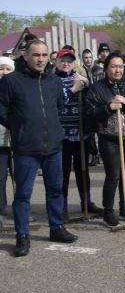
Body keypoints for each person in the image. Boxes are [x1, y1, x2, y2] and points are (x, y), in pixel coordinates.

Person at [0, 39, 78, 257]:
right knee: (23, 195)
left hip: (54, 145)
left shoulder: (52, 80)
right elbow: (2, 109)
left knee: (55, 190)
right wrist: (19, 126)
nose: (41, 59)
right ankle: (22, 236)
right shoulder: (11, 81)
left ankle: (56, 228)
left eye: (44, 55)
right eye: (36, 55)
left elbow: (58, 106)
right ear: (25, 55)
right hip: (26, 147)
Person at [85, 52, 125, 226]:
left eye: (120, 66)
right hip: (109, 138)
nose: (117, 70)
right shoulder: (97, 88)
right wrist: (109, 107)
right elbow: (90, 113)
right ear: (106, 68)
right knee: (113, 175)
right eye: (113, 66)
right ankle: (108, 211)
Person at [54, 48, 101, 216]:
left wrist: (87, 85)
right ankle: (62, 206)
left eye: (69, 60)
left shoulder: (80, 78)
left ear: (74, 62)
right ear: (56, 62)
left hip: (82, 133)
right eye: (62, 60)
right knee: (63, 172)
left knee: (83, 170)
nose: (66, 63)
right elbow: (56, 103)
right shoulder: (52, 80)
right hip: (62, 135)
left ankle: (86, 203)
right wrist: (74, 89)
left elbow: (93, 99)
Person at [0, 57, 14, 228]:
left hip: (18, 139)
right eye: (0, 68)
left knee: (20, 177)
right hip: (1, 141)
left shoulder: (17, 88)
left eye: (7, 69)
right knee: (1, 178)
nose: (4, 72)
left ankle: (21, 210)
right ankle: (1, 210)